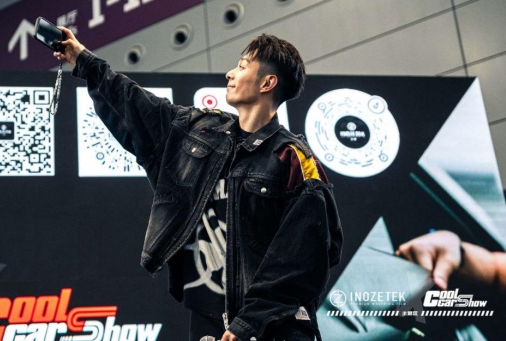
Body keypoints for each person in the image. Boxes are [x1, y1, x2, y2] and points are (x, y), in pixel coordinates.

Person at [53, 28, 343, 341]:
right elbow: (138, 106)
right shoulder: (200, 131)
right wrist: (84, 60)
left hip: (273, 329)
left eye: (242, 66)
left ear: (267, 83)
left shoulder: (294, 158)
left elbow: (303, 257)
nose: (230, 73)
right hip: (209, 325)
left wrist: (248, 323)